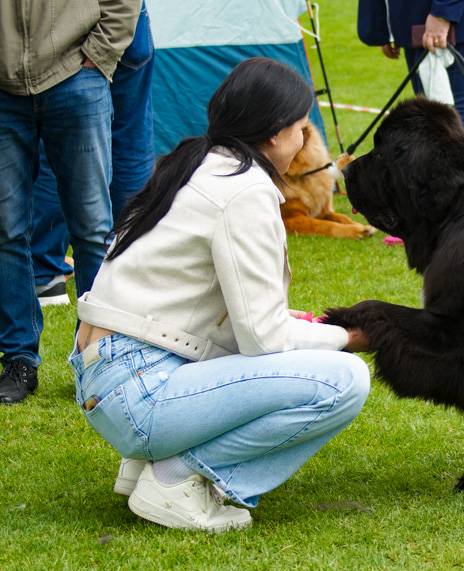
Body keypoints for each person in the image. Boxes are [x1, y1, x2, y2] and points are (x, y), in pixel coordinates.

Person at [71, 58, 371, 532]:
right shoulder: (244, 190)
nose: (304, 141)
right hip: (138, 391)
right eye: (300, 128)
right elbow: (264, 339)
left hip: (107, 378)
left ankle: (152, 461)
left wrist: (293, 327)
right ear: (273, 133)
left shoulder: (196, 162)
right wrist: (348, 337)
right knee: (344, 380)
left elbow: (216, 310)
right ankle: (176, 476)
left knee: (308, 356)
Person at [0, 0, 141, 404]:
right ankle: (19, 359)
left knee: (92, 227)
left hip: (77, 78)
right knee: (6, 230)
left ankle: (98, 358)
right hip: (5, 90)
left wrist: (99, 55)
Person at [33, 1, 156, 307]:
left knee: (57, 142)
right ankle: (132, 267)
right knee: (130, 140)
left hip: (68, 28)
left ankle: (46, 271)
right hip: (123, 20)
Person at [358, 0, 464, 134]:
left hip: (449, 22)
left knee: (446, 121)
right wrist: (384, 27)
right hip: (418, 23)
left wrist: (442, 14)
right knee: (435, 120)